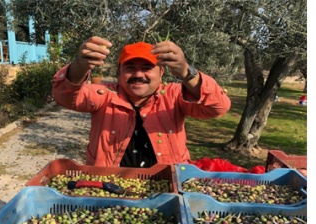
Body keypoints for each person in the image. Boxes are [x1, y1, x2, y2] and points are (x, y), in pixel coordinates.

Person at [51, 36, 231, 167]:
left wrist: (186, 72)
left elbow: (218, 107)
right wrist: (80, 66)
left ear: (161, 73)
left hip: (167, 187)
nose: (138, 75)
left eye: (147, 68)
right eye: (130, 68)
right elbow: (65, 96)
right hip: (107, 187)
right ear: (119, 72)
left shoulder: (174, 95)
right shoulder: (104, 94)